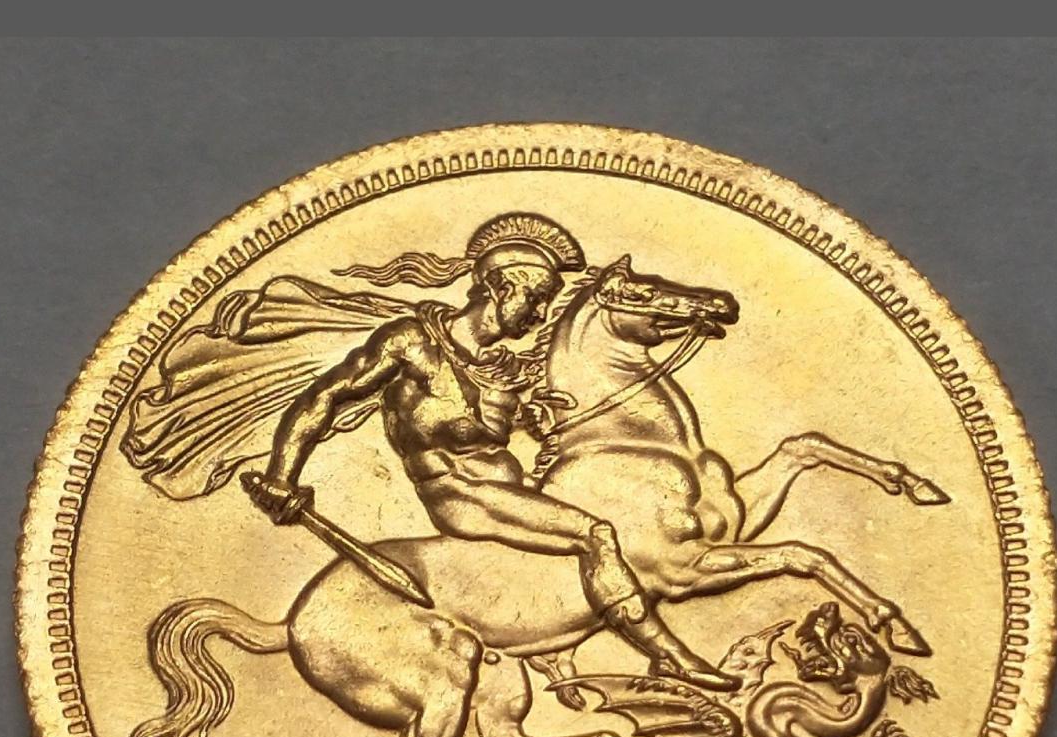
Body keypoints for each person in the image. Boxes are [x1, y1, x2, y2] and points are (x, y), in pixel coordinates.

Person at [243, 212, 736, 692]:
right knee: (595, 533)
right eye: (536, 299)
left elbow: (500, 426)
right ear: (502, 288)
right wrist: (282, 475)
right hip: (461, 494)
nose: (540, 314)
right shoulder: (412, 343)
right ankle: (668, 656)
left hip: (509, 488)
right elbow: (326, 397)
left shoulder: (502, 367)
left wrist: (534, 420)